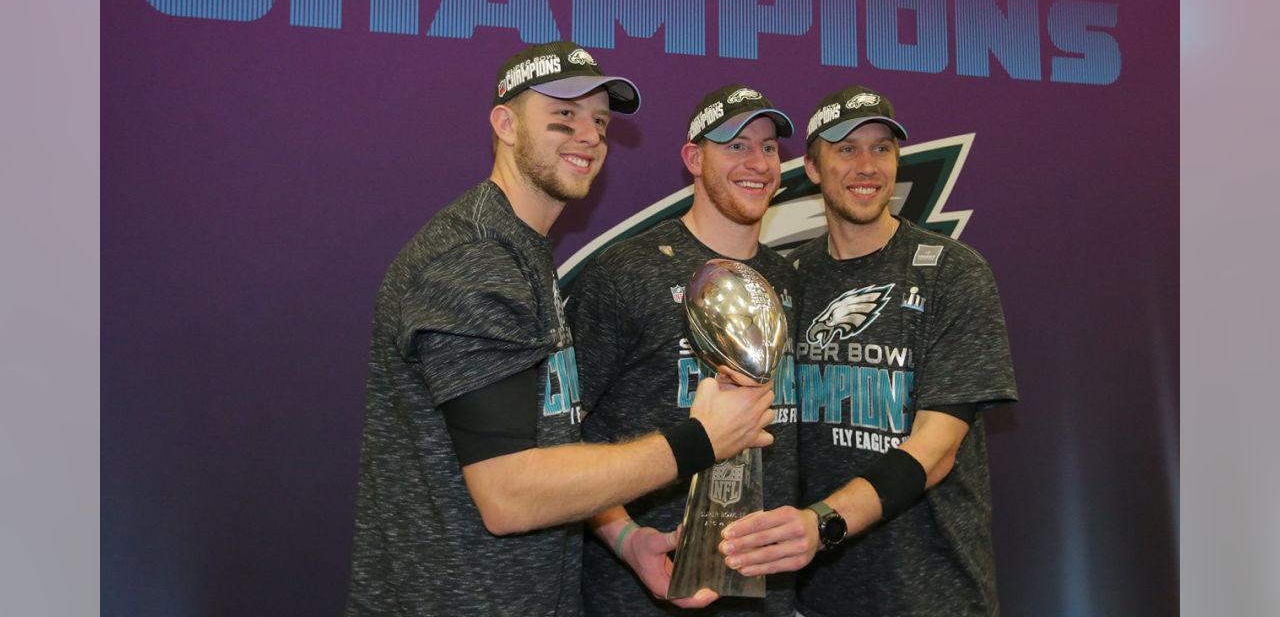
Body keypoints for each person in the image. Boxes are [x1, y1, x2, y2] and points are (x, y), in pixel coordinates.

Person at [344, 43, 777, 617]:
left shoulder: (521, 250)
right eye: (563, 117)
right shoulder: (475, 261)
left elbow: (551, 440)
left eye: (599, 121)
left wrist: (626, 539)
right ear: (505, 124)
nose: (590, 135)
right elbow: (510, 494)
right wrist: (701, 440)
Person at [716, 85, 1019, 616]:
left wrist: (825, 523)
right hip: (814, 596)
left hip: (932, 595)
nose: (868, 166)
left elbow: (937, 449)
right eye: (847, 149)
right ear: (811, 167)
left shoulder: (953, 272)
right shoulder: (788, 282)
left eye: (882, 148)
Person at [566, 84, 801, 616]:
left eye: (768, 147)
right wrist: (624, 537)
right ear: (694, 158)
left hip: (766, 590)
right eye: (736, 145)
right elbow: (564, 431)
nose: (758, 162)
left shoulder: (787, 280)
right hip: (645, 587)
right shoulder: (626, 272)